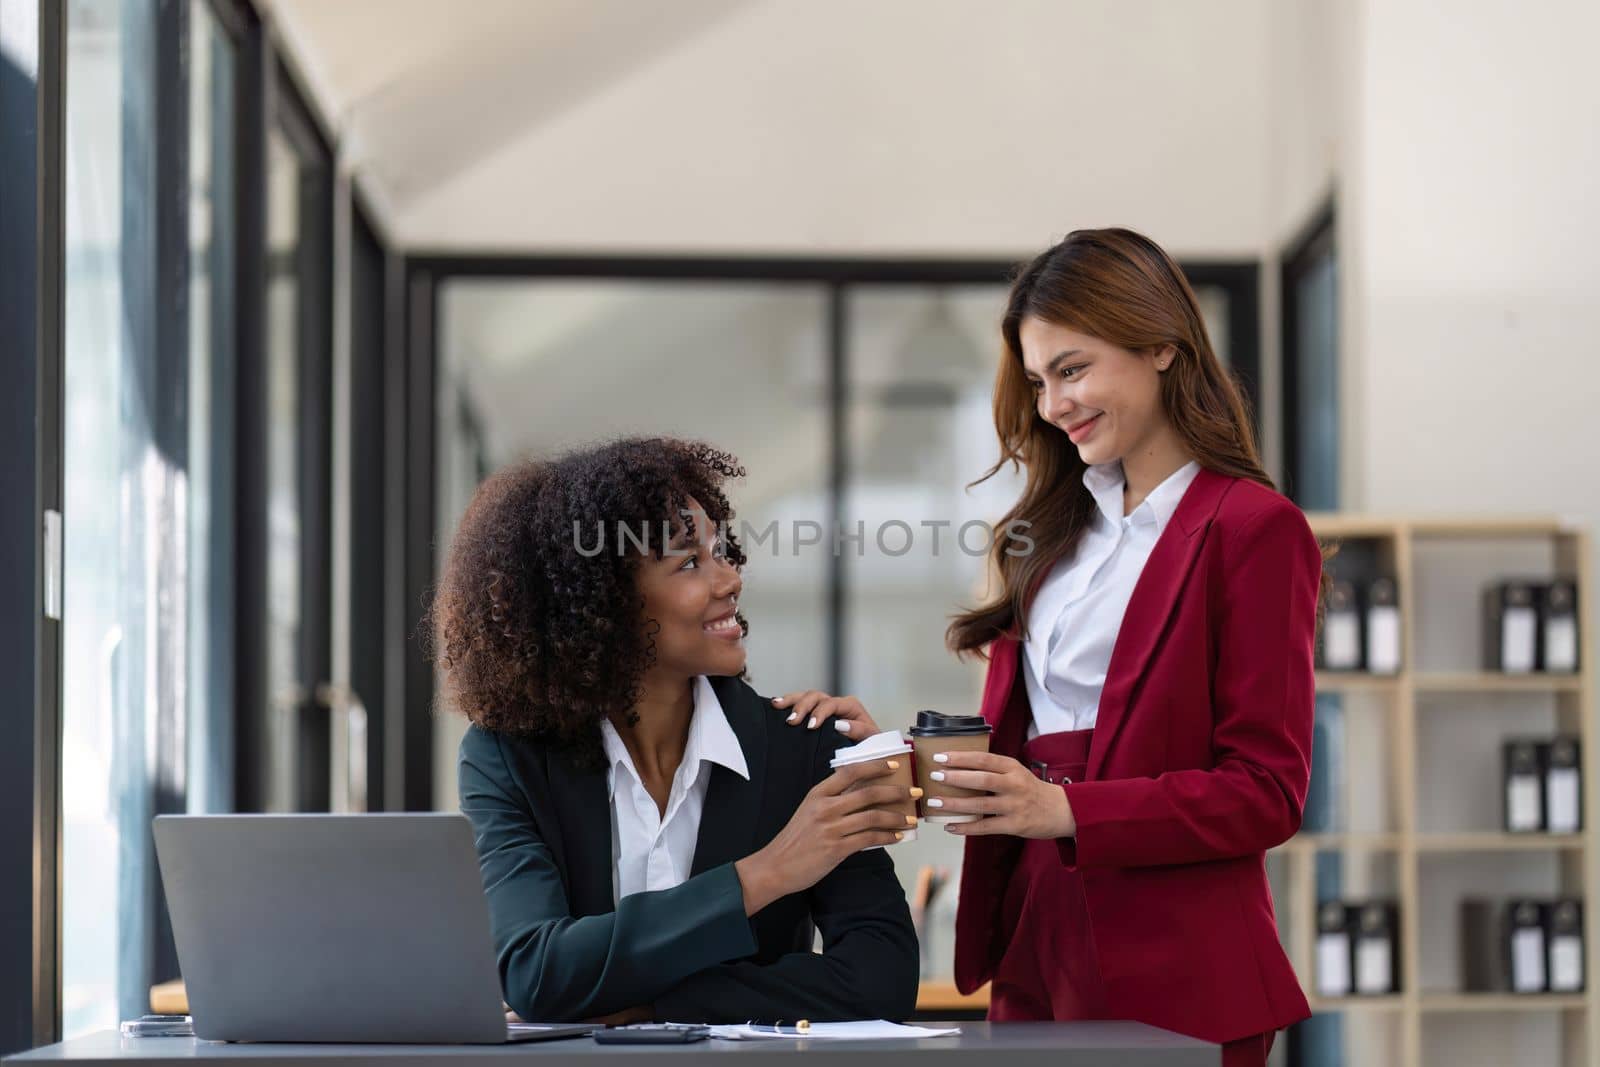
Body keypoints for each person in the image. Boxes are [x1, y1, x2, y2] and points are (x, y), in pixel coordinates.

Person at [785, 228, 1326, 1065]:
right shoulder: (1050, 537)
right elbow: (1029, 744)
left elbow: (1265, 792)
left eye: (1071, 370)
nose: (1050, 405)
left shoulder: (1254, 529)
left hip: (1178, 960)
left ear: (1161, 347)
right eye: (1039, 381)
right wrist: (896, 748)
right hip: (1036, 930)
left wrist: (1067, 809)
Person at [434, 437, 919, 1025]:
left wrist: (653, 1006)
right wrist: (763, 876)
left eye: (720, 551)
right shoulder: (507, 758)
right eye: (689, 562)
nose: (730, 580)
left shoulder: (810, 746)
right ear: (603, 604)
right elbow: (537, 971)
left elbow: (881, 980)